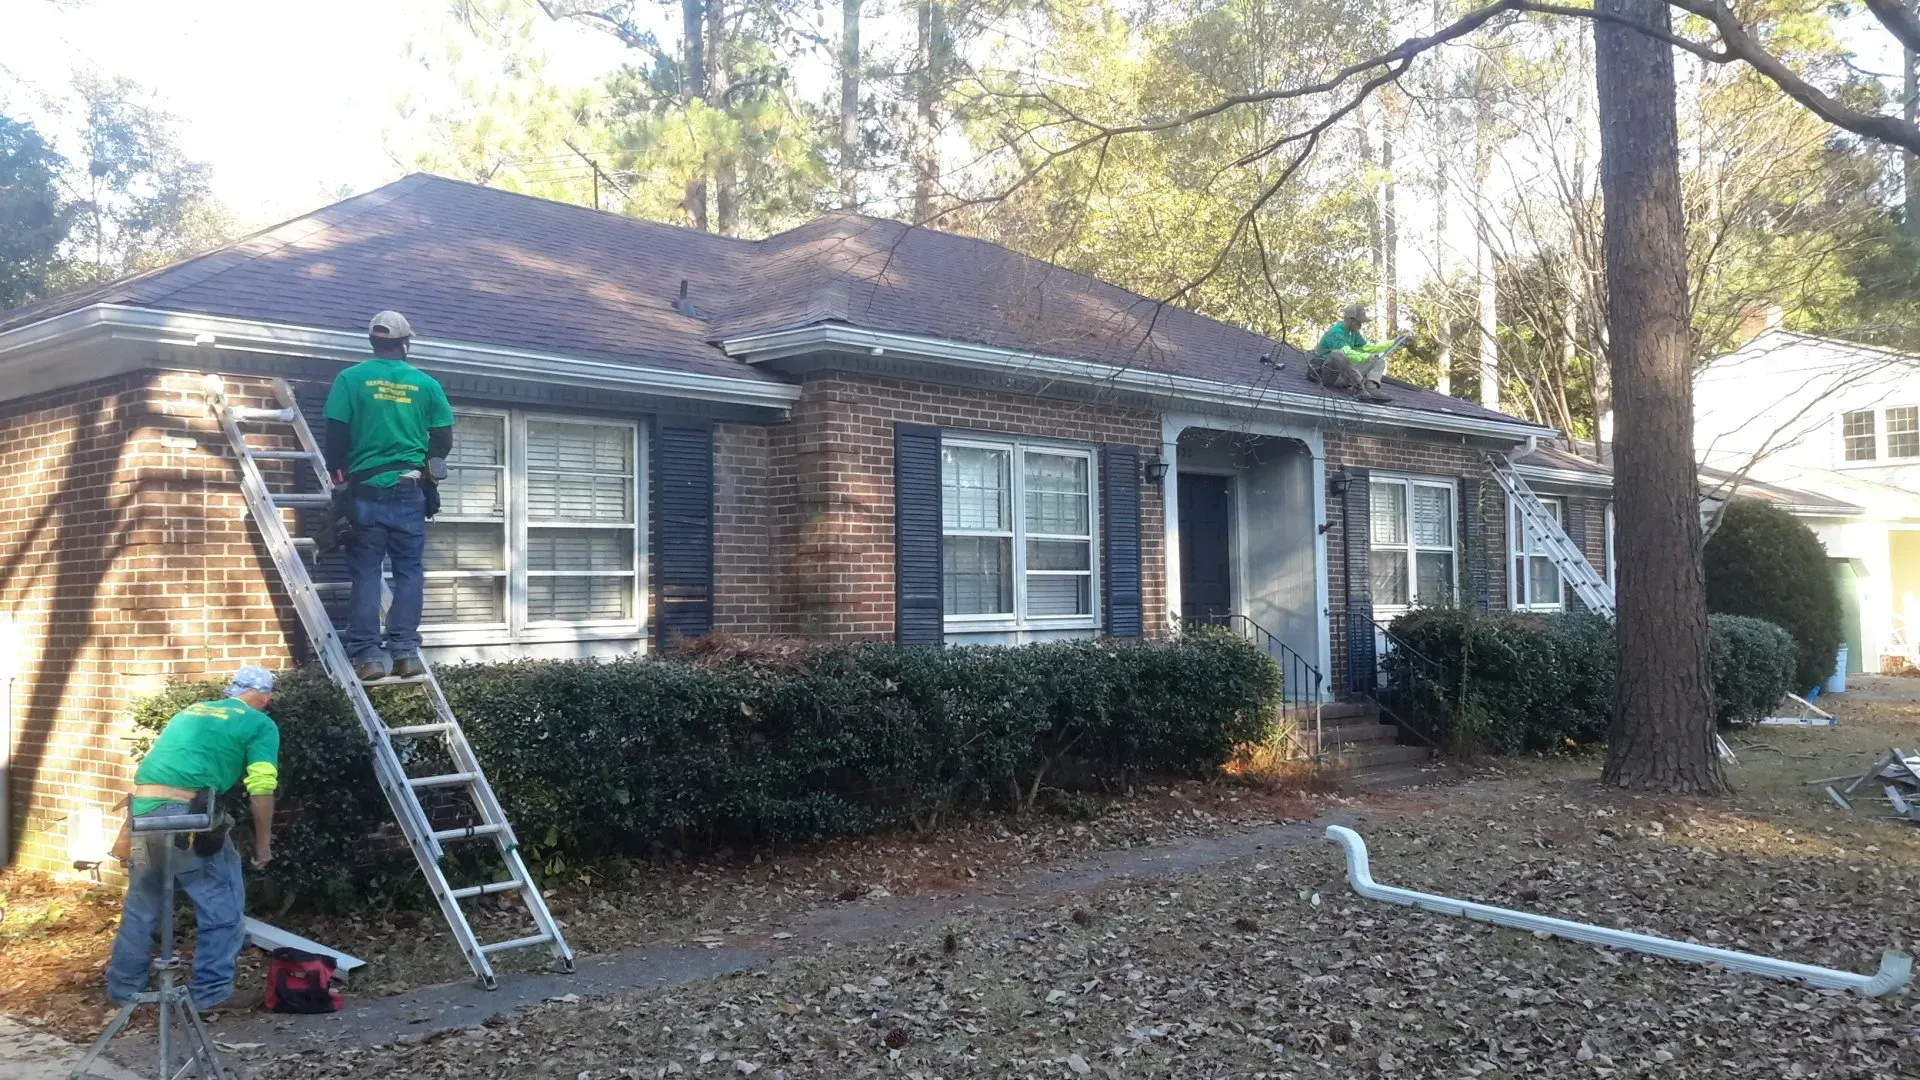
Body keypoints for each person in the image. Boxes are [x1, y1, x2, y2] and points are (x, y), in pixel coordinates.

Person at [106, 665, 280, 1013]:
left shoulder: (192, 711)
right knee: (221, 903)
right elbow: (261, 788)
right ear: (266, 698)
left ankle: (124, 991)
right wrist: (264, 846)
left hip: (142, 810)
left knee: (143, 904)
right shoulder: (260, 723)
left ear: (233, 691)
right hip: (187, 816)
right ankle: (212, 994)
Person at [324, 310, 453, 682]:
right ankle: (406, 653)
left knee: (366, 571)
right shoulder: (425, 384)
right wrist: (426, 468)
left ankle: (368, 658)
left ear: (373, 342)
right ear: (405, 342)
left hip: (365, 489)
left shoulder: (351, 378)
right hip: (410, 489)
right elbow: (442, 439)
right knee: (409, 572)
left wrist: (340, 475)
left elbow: (336, 433)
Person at [1312, 303, 1400, 404]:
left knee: (1377, 360)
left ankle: (1371, 388)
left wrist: (1393, 342)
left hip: (1344, 377)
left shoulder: (1353, 333)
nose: (1360, 326)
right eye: (1359, 323)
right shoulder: (1336, 333)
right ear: (1350, 320)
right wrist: (1366, 357)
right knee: (1338, 355)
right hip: (1328, 375)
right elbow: (1348, 354)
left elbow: (1368, 348)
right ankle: (1359, 389)